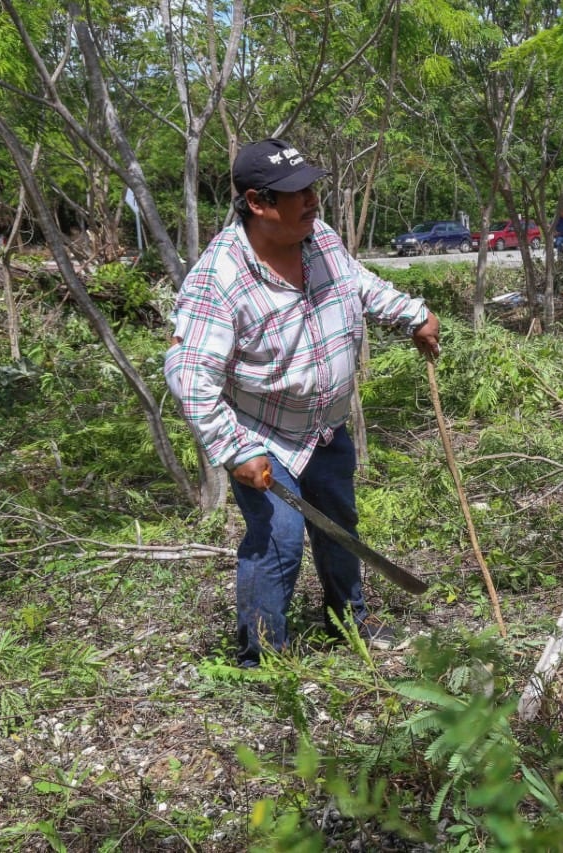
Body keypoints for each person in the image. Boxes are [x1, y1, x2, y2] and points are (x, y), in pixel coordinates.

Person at [165, 138, 441, 668]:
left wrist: (412, 315)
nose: (312, 200)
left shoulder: (318, 238)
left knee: (339, 525)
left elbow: (357, 283)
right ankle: (263, 658)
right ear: (257, 202)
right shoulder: (219, 279)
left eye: (312, 188)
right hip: (261, 433)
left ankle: (349, 624)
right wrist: (233, 449)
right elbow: (189, 375)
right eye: (298, 193)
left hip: (325, 428)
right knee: (279, 540)